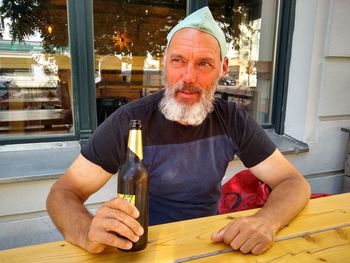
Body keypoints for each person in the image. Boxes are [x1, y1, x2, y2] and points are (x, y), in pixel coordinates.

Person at [46, 6, 311, 255]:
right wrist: (87, 232)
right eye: (178, 61)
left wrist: (267, 220)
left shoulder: (232, 120)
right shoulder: (131, 121)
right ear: (164, 63)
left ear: (223, 68)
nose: (188, 77)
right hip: (141, 249)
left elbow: (293, 183)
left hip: (209, 245)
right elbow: (63, 193)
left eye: (204, 64)